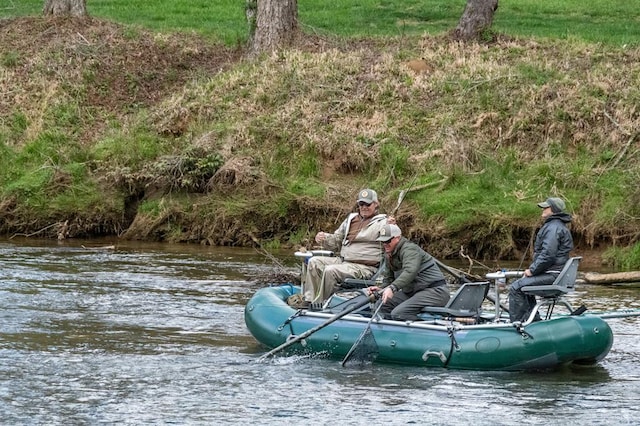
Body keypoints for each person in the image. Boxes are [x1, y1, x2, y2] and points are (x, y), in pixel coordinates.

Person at [298, 188, 390, 307]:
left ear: (376, 204)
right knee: (314, 262)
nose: (364, 207)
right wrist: (324, 238)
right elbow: (336, 241)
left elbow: (392, 238)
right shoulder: (351, 219)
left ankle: (324, 304)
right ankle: (310, 300)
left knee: (331, 270)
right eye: (361, 204)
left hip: (365, 268)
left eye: (368, 204)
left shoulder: (383, 222)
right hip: (344, 261)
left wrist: (391, 226)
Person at [508, 197, 574, 323]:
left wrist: (532, 271)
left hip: (553, 276)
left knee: (516, 287)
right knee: (523, 284)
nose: (543, 209)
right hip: (556, 274)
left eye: (546, 207)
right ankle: (532, 320)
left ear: (554, 210)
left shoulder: (553, 228)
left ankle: (516, 324)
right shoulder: (555, 226)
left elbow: (548, 255)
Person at [367, 224, 450, 321]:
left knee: (398, 313)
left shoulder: (410, 249)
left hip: (434, 292)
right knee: (381, 305)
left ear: (397, 238)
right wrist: (381, 289)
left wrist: (392, 288)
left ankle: (426, 331)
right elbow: (389, 278)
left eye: (387, 241)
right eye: (382, 241)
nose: (385, 244)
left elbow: (410, 271)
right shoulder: (389, 254)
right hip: (413, 292)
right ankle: (389, 330)